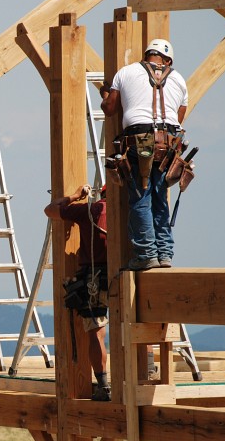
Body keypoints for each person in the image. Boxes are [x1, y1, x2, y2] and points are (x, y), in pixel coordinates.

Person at [100, 39, 188, 271]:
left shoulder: (126, 72)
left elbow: (110, 109)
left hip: (138, 141)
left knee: (141, 197)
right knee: (160, 198)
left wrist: (106, 94)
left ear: (147, 54)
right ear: (167, 60)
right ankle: (165, 254)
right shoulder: (178, 79)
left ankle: (147, 255)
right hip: (167, 145)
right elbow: (178, 118)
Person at [44, 184, 111, 401]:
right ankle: (145, 371)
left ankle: (103, 385)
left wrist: (74, 196)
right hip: (124, 273)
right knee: (136, 325)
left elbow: (51, 209)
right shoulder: (133, 210)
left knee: (96, 331)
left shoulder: (90, 210)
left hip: (94, 276)